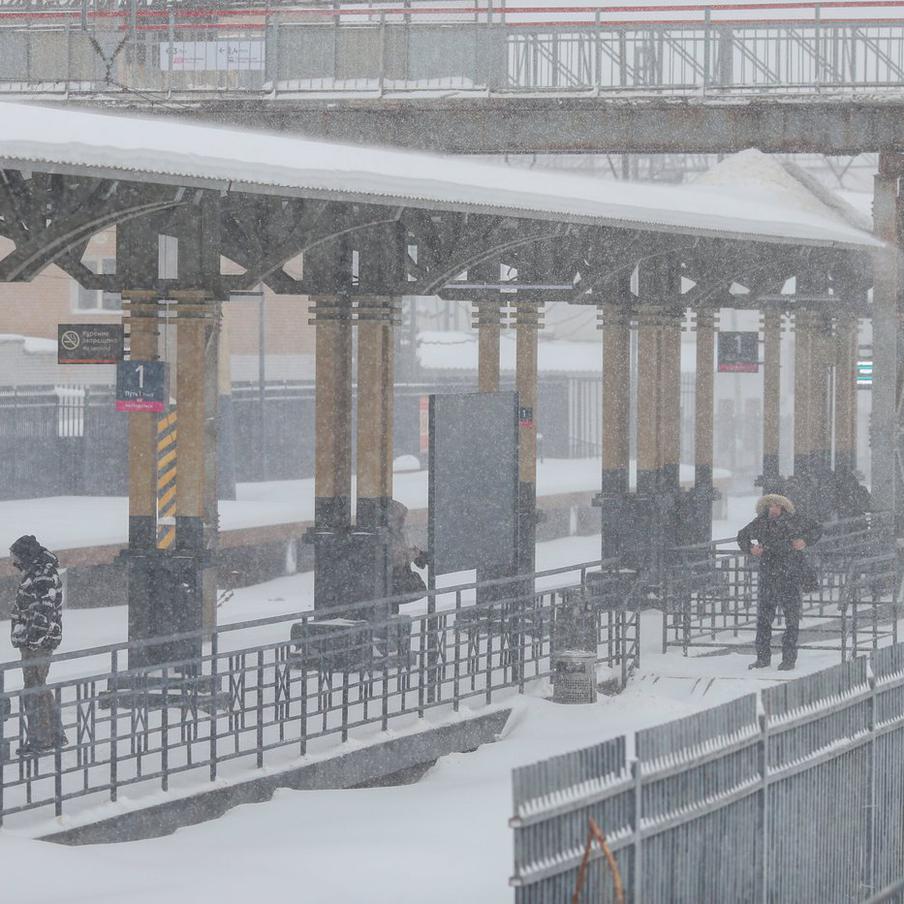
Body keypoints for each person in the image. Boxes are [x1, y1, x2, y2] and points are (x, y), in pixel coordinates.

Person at [737, 494, 823, 671]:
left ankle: (788, 659)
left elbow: (817, 528)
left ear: (783, 507)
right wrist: (751, 548)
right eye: (771, 505)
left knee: (791, 620)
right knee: (764, 620)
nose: (774, 509)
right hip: (769, 575)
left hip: (789, 575)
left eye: (777, 505)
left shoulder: (795, 520)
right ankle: (763, 658)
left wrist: (805, 541)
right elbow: (742, 536)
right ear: (766, 507)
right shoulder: (760, 522)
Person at [9, 534, 66, 755]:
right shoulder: (38, 571)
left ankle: (41, 739)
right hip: (38, 641)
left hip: (38, 643)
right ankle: (54, 734)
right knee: (38, 686)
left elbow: (44, 610)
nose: (14, 561)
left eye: (15, 556)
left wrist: (33, 639)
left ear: (26, 555)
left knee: (33, 689)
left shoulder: (42, 575)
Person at [388, 500, 427, 613]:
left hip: (398, 579)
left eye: (403, 518)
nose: (403, 521)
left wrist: (415, 553)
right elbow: (397, 557)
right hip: (393, 579)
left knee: (393, 608)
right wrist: (413, 554)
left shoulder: (400, 534)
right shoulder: (389, 536)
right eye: (400, 518)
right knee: (391, 607)